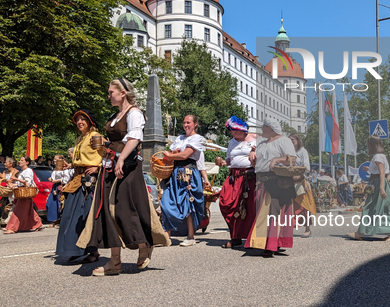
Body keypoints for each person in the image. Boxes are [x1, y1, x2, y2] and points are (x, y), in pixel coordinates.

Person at [77, 79, 169, 275]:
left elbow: (135, 139)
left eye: (111, 92)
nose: (108, 95)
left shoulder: (134, 114)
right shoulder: (115, 115)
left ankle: (144, 245)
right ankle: (115, 261)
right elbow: (115, 142)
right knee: (107, 213)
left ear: (123, 93)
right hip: (109, 166)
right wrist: (103, 145)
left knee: (125, 211)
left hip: (127, 167)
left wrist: (120, 160)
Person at [55, 110, 103, 263]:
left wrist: (97, 167)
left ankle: (91, 251)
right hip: (76, 180)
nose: (80, 122)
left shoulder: (96, 137)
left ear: (90, 122)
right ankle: (75, 249)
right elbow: (80, 160)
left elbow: (108, 154)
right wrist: (70, 165)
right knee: (70, 216)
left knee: (85, 216)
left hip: (89, 182)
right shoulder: (78, 139)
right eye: (78, 120)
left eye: (83, 119)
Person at [245, 118, 297, 257]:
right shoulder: (261, 143)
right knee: (266, 213)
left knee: (271, 214)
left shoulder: (283, 140)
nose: (262, 129)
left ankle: (271, 245)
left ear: (270, 128)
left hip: (277, 181)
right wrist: (253, 157)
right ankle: (270, 243)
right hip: (262, 180)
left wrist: (277, 160)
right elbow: (257, 166)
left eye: (264, 127)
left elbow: (293, 159)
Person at [159, 114, 207, 246]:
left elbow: (186, 154)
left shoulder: (197, 138)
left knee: (188, 203)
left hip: (188, 172)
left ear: (195, 124)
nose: (186, 125)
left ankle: (191, 236)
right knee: (166, 201)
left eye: (189, 123)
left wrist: (172, 155)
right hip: (175, 173)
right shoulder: (179, 138)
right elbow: (172, 154)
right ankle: (166, 236)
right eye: (184, 123)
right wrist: (173, 155)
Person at [216, 116, 257, 248]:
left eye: (236, 130)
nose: (233, 133)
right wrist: (222, 162)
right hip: (234, 177)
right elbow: (229, 160)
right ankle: (235, 236)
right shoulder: (232, 142)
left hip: (249, 177)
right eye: (231, 130)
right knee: (226, 203)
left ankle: (251, 238)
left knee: (250, 208)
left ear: (243, 129)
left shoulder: (255, 139)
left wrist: (254, 155)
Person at [348, 136, 390, 241]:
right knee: (384, 208)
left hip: (378, 183)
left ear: (372, 145)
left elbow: (382, 172)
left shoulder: (377, 157)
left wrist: (381, 188)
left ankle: (360, 233)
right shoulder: (381, 156)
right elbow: (379, 170)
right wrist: (369, 168)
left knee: (369, 207)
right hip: (382, 183)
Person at [3, 156, 43, 234]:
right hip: (21, 193)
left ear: (27, 162)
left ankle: (12, 227)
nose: (19, 161)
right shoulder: (23, 171)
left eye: (22, 160)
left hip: (25, 193)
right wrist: (12, 185)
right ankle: (37, 224)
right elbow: (20, 184)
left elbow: (27, 182)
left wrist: (16, 179)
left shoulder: (28, 171)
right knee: (29, 210)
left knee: (18, 210)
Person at [289, 133, 316, 238]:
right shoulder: (288, 152)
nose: (291, 141)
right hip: (289, 181)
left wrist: (299, 174)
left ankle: (307, 229)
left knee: (304, 206)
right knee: (290, 206)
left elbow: (307, 167)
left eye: (293, 139)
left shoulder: (303, 151)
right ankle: (289, 228)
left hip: (301, 181)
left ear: (297, 140)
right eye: (289, 140)